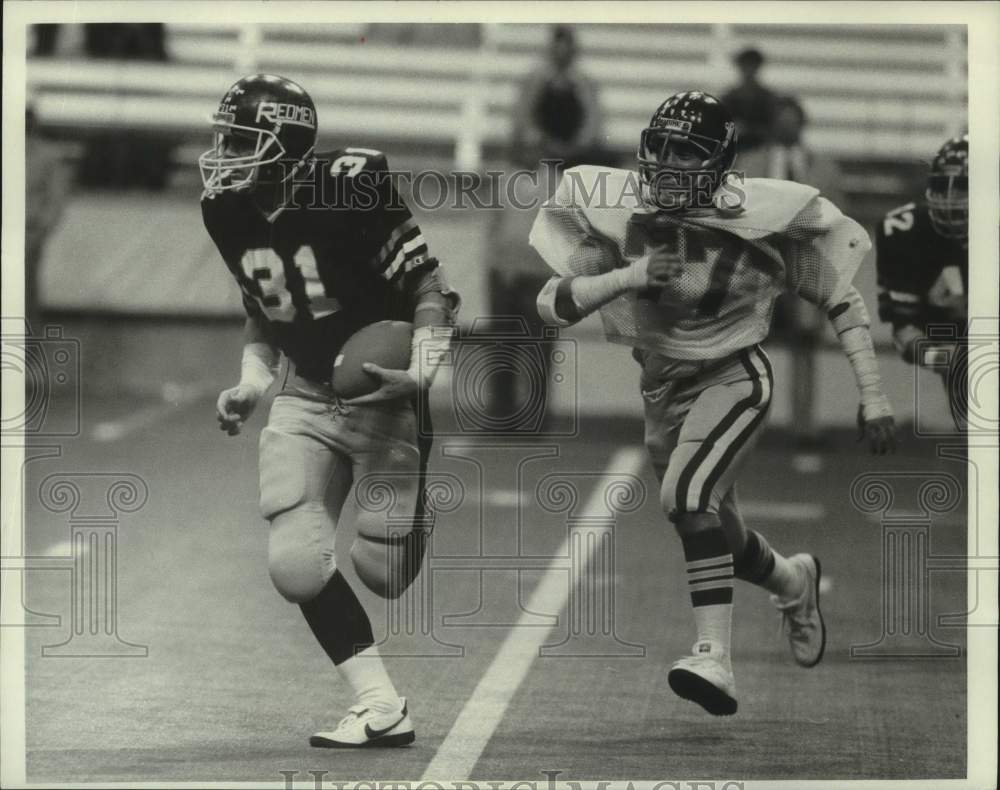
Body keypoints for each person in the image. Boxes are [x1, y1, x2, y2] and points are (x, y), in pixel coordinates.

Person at [530, 91, 896, 716]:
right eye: (662, 148)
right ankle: (793, 580)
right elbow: (551, 303)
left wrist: (873, 392)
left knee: (687, 496)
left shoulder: (760, 216)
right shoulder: (624, 214)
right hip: (661, 389)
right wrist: (629, 276)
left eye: (686, 152)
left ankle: (713, 658)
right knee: (719, 531)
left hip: (734, 375)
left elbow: (840, 297)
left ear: (720, 163)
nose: (669, 163)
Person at [200, 74, 459, 747]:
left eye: (241, 140)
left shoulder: (350, 185)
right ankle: (381, 705)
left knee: (384, 572)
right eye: (225, 138)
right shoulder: (224, 210)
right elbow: (264, 309)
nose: (225, 153)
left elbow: (429, 286)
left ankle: (412, 513)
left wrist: (421, 371)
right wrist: (251, 384)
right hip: (307, 392)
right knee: (295, 563)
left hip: (382, 390)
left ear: (283, 144)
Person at [738, 95, 847, 445]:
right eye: (781, 120)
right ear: (772, 124)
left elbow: (838, 221)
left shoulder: (824, 168)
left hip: (805, 267)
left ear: (803, 123)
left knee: (805, 346)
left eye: (792, 120)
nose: (786, 126)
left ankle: (803, 426)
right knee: (749, 349)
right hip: (759, 269)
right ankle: (746, 424)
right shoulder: (749, 163)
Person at [875, 134, 968, 430]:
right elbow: (904, 329)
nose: (951, 198)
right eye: (943, 186)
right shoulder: (906, 230)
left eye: (963, 187)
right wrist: (942, 359)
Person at [509, 25, 606, 171]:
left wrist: (574, 147)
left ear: (573, 51)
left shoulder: (584, 83)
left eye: (566, 49)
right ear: (551, 50)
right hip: (542, 149)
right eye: (558, 49)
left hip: (574, 151)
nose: (562, 53)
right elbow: (524, 119)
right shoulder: (535, 80)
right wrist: (544, 143)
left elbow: (592, 123)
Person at [721, 48, 778, 153]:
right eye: (746, 65)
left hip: (761, 150)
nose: (749, 70)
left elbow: (773, 128)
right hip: (735, 149)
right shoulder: (729, 97)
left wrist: (749, 130)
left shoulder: (768, 98)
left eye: (752, 65)